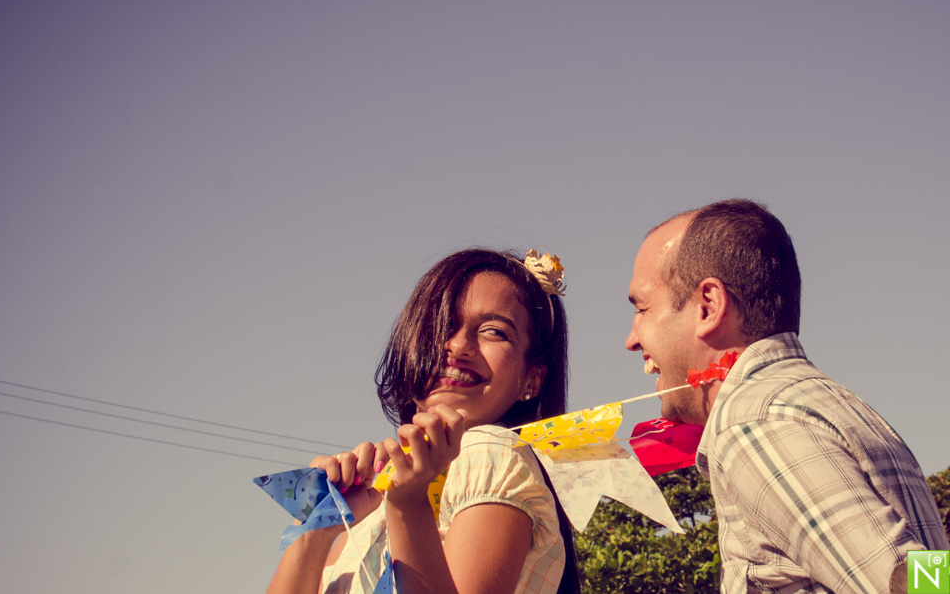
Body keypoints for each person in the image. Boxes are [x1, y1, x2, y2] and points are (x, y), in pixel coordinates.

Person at [625, 198, 948, 594]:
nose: (631, 339)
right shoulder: (829, 403)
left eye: (642, 308)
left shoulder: (754, 422)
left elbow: (905, 578)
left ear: (708, 306)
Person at [266, 248, 579, 594]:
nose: (458, 345)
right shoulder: (367, 506)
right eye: (440, 325)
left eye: (493, 331)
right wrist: (315, 530)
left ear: (533, 378)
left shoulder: (489, 450)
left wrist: (408, 504)